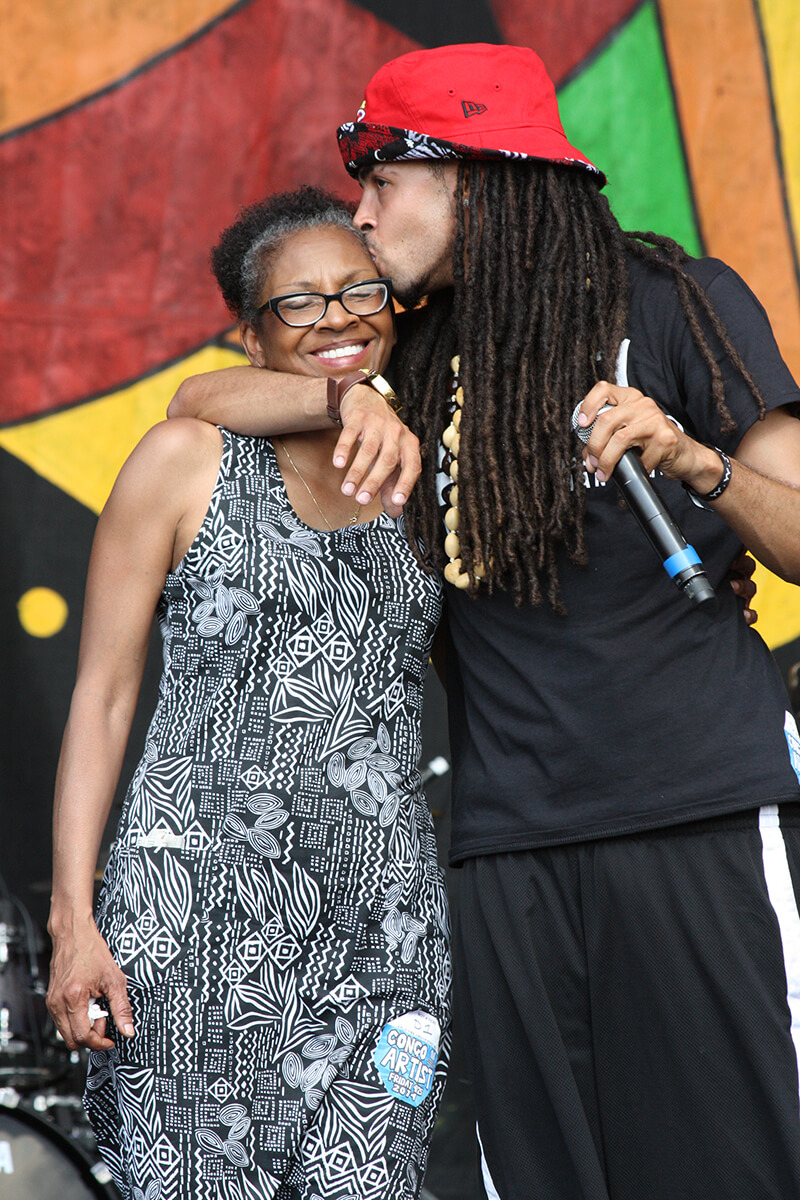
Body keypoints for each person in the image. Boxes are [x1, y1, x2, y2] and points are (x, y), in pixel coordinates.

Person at [168, 44, 800, 1200]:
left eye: (382, 183)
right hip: (506, 838)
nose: (361, 217)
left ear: (473, 176)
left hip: (694, 808)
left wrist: (690, 458)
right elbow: (197, 398)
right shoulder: (413, 348)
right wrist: (343, 396)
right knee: (547, 1175)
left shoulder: (674, 299)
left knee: (733, 1164)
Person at [46, 186, 451, 1200]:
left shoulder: (422, 476)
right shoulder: (186, 462)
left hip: (385, 929)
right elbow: (101, 697)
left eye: (359, 292)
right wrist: (72, 922)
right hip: (192, 921)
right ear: (251, 335)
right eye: (298, 303)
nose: (336, 319)